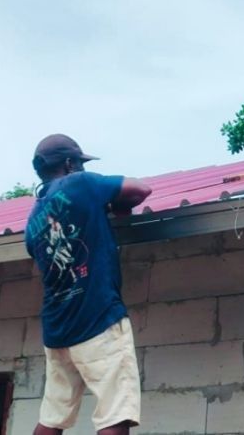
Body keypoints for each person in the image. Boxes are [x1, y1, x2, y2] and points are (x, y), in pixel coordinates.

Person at [25, 134, 152, 435]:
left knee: (52, 417)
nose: (82, 168)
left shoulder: (32, 222)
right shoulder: (80, 184)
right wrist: (109, 204)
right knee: (114, 413)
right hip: (97, 320)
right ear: (69, 164)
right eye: (79, 163)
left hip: (58, 331)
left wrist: (100, 209)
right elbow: (140, 189)